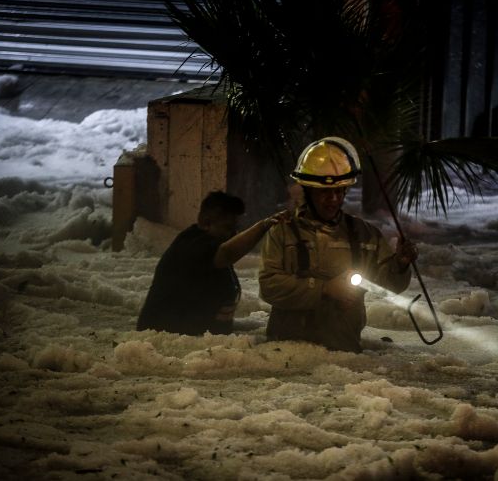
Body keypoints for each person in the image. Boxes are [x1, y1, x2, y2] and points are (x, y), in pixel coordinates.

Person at [259, 137, 418, 353]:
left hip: (343, 352)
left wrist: (400, 264)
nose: (333, 199)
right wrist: (325, 288)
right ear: (308, 191)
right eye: (325, 192)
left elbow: (386, 286)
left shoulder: (365, 235)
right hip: (287, 354)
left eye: (339, 191)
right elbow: (269, 286)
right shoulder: (283, 232)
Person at [137, 191, 288, 336]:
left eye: (235, 229)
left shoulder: (212, 245)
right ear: (206, 223)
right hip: (163, 339)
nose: (233, 234)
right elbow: (227, 253)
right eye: (228, 228)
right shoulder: (191, 245)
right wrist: (263, 226)